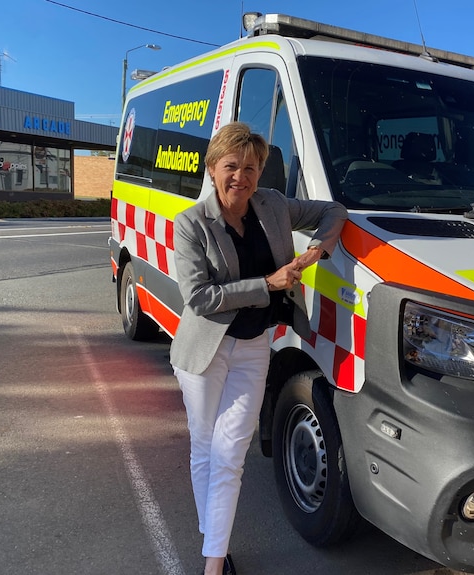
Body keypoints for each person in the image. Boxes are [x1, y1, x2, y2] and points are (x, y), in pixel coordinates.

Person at [170, 122, 347, 575]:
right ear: (212, 169)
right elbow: (199, 297)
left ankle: (212, 562)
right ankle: (215, 547)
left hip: (253, 346)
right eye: (231, 166)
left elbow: (333, 210)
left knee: (231, 454)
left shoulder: (272, 204)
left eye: (251, 167)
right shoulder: (191, 223)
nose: (241, 177)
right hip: (204, 351)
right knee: (205, 449)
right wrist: (266, 284)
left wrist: (314, 255)